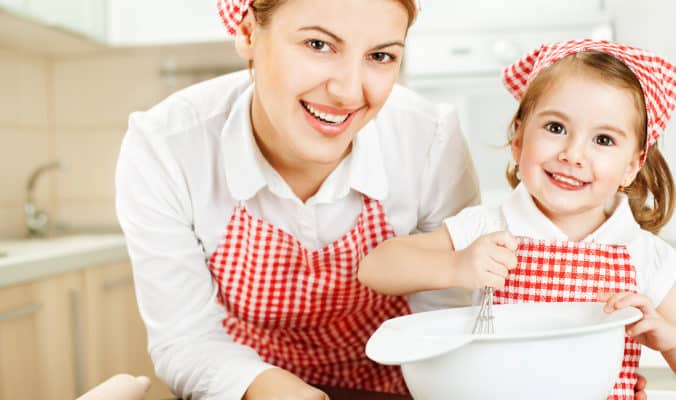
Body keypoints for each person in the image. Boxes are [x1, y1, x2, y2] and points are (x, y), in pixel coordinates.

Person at [114, 0, 481, 399]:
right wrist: (269, 388)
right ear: (248, 32)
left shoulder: (430, 140)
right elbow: (186, 339)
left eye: (380, 55)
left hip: (400, 387)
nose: (347, 91)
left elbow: (445, 317)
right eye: (318, 45)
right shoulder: (166, 148)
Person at [359, 39, 676, 399]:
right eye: (556, 128)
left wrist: (670, 337)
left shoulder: (643, 253)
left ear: (631, 166)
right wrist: (456, 267)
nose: (573, 154)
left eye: (604, 139)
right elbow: (375, 267)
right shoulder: (490, 227)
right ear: (517, 138)